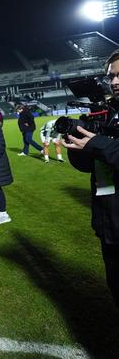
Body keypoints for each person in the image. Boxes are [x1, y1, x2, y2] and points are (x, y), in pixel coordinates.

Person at [64, 49, 119, 306]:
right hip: (109, 223)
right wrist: (79, 146)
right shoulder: (107, 112)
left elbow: (107, 150)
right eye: (111, 77)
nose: (115, 82)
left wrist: (99, 144)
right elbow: (89, 166)